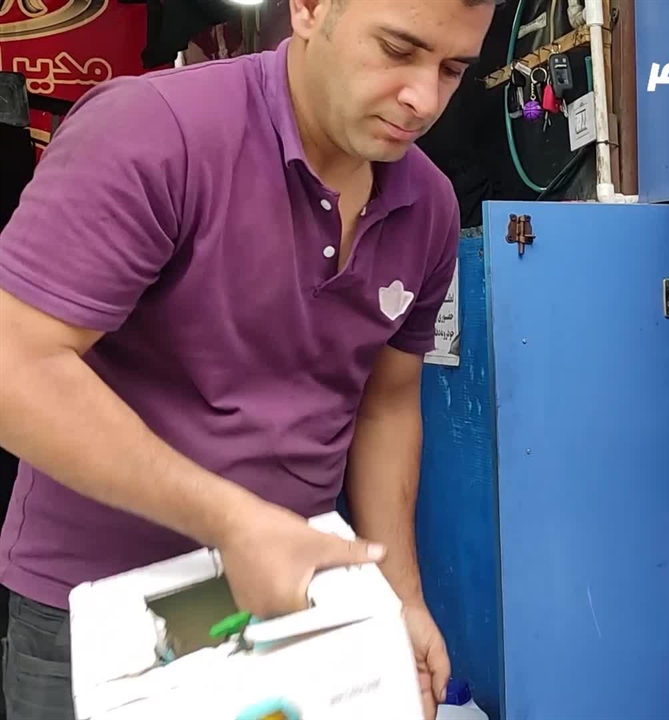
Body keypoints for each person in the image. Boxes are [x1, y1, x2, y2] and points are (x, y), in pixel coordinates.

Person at [0, 0, 496, 717]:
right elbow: (16, 367)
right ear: (309, 9)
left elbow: (386, 404)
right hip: (104, 611)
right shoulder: (155, 131)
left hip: (290, 601)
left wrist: (401, 599)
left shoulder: (430, 207)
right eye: (397, 50)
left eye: (452, 69)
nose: (424, 98)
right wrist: (233, 522)